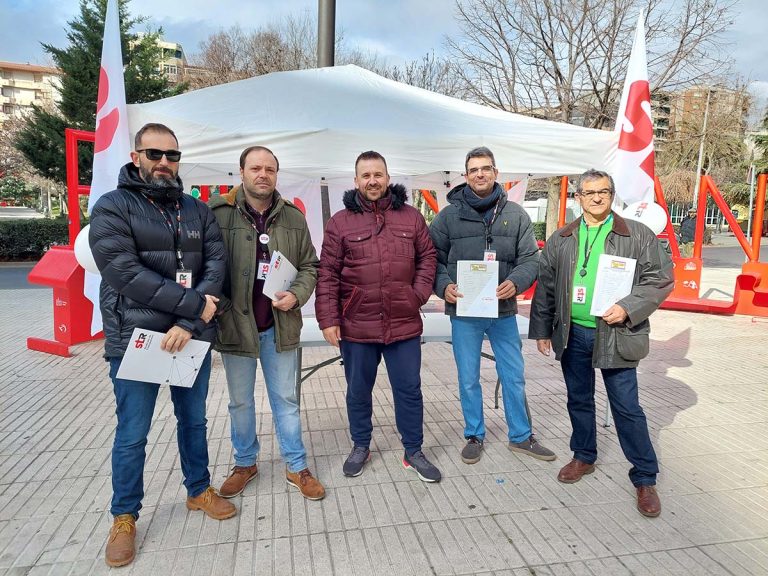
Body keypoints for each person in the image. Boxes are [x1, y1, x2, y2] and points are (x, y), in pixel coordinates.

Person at [89, 123, 235, 568]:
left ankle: (198, 490)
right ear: (137, 156)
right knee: (133, 433)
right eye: (155, 154)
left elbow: (216, 264)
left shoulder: (196, 210)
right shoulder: (112, 207)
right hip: (136, 339)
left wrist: (190, 322)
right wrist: (194, 305)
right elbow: (124, 273)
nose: (165, 163)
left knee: (193, 421)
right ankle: (124, 516)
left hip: (189, 337)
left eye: (172, 155)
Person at [529, 168, 673, 518]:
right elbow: (546, 288)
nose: (596, 197)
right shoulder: (562, 238)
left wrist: (628, 307)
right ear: (578, 198)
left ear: (612, 195)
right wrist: (543, 330)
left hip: (616, 333)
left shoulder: (637, 234)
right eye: (589, 192)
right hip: (573, 333)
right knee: (578, 399)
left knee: (626, 407)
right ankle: (583, 456)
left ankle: (644, 476)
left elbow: (661, 279)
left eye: (604, 191)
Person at [315, 151, 440, 482]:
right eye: (365, 175)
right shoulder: (340, 222)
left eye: (378, 174)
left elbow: (428, 257)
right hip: (357, 326)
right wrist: (328, 318)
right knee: (358, 390)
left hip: (404, 323)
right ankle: (361, 445)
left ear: (387, 177)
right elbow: (327, 273)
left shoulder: (411, 217)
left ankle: (413, 450)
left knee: (409, 389)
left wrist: (418, 294)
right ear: (356, 180)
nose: (373, 181)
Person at [210, 146, 324, 501]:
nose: (263, 174)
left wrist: (298, 295)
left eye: (270, 169)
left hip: (279, 325)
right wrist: (220, 306)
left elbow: (310, 266)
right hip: (235, 326)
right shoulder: (216, 213)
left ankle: (296, 465)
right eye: (256, 168)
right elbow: (206, 268)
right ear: (241, 171)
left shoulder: (293, 217)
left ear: (277, 174)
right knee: (240, 402)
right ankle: (245, 463)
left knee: (286, 400)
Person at [430, 146, 556, 465]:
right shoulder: (448, 217)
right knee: (468, 377)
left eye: (485, 168)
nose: (480, 174)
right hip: (465, 312)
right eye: (473, 170)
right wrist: (443, 286)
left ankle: (521, 436)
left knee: (513, 374)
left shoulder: (515, 215)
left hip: (503, 312)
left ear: (496, 173)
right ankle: (474, 434)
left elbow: (530, 258)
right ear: (466, 176)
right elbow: (431, 259)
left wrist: (517, 281)